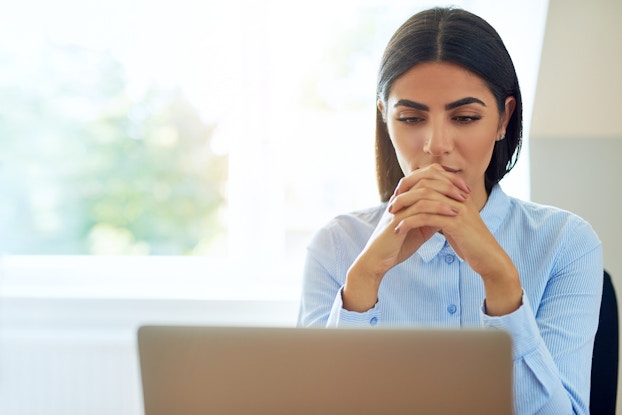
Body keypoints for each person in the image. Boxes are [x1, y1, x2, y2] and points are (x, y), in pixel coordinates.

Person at [296, 6, 603, 415]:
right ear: (385, 117)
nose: (436, 144)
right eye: (410, 117)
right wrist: (364, 281)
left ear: (503, 119)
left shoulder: (566, 243)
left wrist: (501, 281)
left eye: (465, 117)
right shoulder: (336, 246)